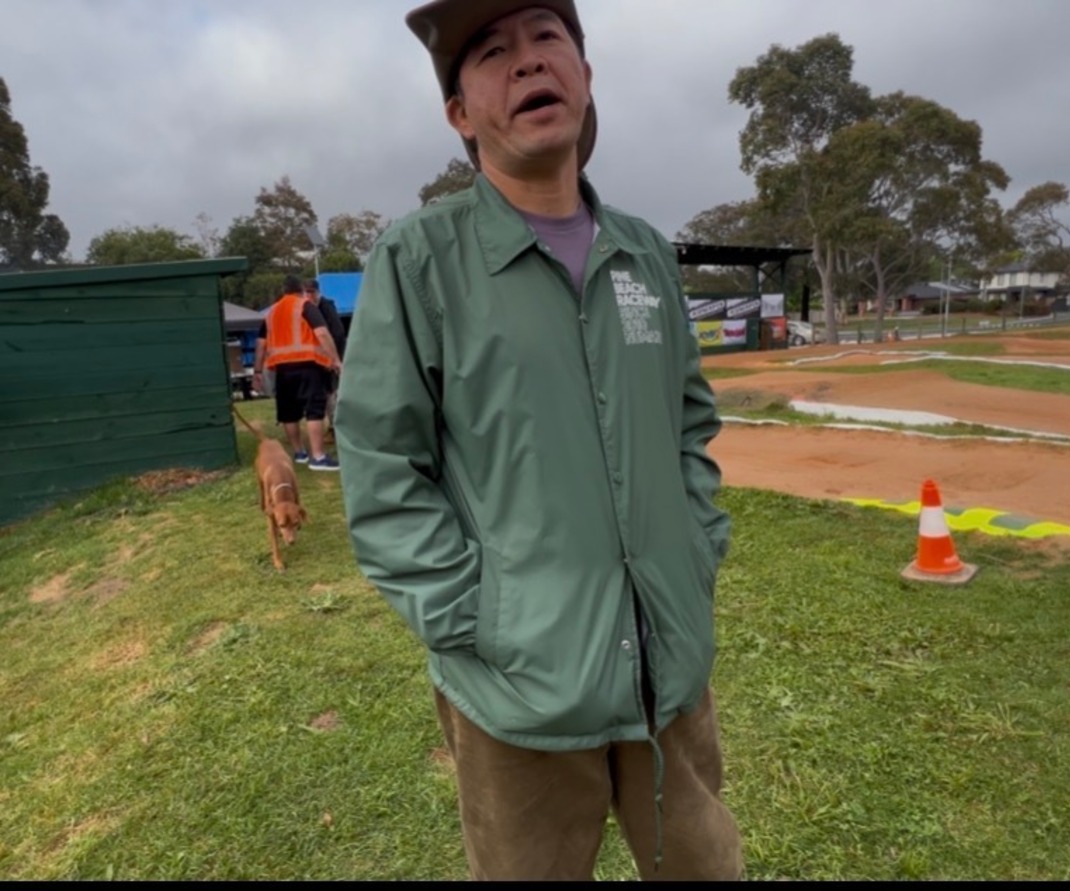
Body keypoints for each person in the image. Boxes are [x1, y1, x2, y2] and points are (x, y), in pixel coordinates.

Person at [334, 0, 741, 880]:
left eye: (547, 37)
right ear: (459, 112)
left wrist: (694, 550)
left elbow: (688, 422)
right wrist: (480, 618)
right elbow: (382, 467)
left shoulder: (646, 255)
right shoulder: (419, 260)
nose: (527, 62)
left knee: (705, 867)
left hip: (668, 666)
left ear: (585, 76)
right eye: (492, 51)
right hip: (518, 696)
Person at [253, 274, 342, 471]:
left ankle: (299, 452)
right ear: (301, 290)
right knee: (314, 411)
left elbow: (260, 344)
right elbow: (322, 333)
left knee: (288, 412)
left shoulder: (272, 312)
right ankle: (318, 457)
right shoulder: (305, 306)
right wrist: (335, 360)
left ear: (283, 291)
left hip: (282, 369)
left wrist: (257, 371)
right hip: (308, 365)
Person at [302, 278, 347, 439]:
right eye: (306, 292)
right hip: (319, 359)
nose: (309, 295)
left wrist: (333, 359)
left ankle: (337, 428)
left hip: (331, 358)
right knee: (327, 393)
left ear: (318, 292)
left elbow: (337, 333)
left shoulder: (326, 307)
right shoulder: (308, 308)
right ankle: (335, 427)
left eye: (312, 292)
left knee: (332, 393)